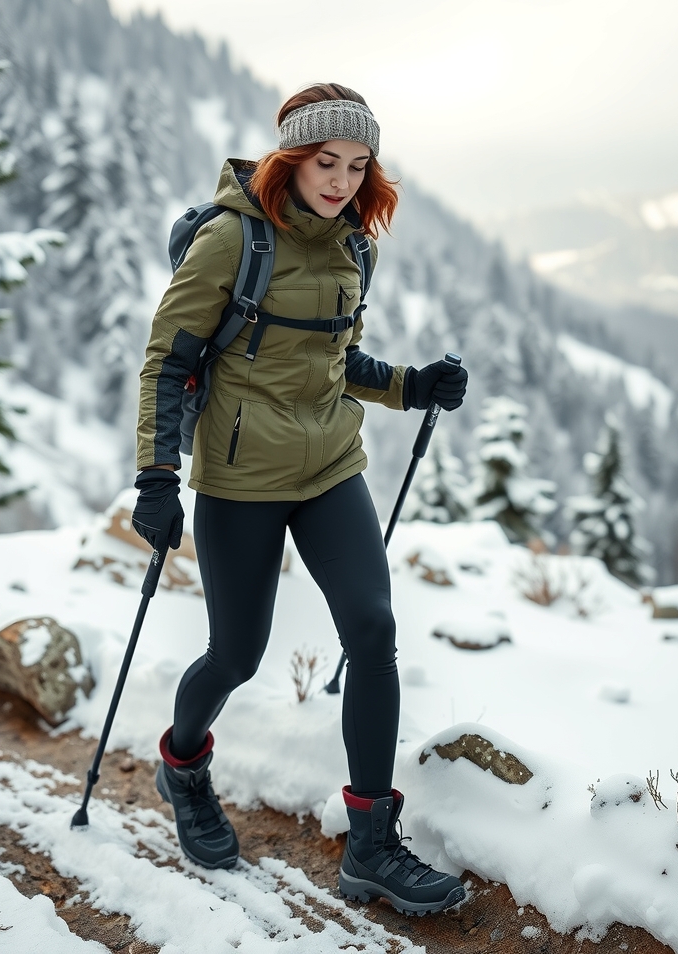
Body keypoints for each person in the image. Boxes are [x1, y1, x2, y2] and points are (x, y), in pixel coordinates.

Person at [132, 83, 469, 915]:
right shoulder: (230, 241)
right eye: (328, 162)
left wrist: (409, 385)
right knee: (237, 655)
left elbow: (333, 361)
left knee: (374, 630)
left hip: (330, 468)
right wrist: (156, 477)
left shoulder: (356, 248)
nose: (344, 180)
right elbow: (167, 363)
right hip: (242, 480)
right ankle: (183, 763)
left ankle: (371, 844)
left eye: (359, 166)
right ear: (292, 157)